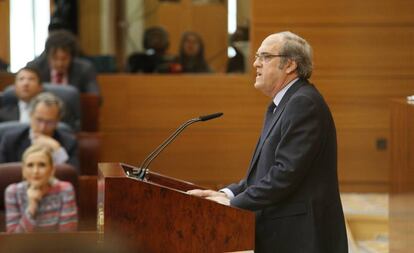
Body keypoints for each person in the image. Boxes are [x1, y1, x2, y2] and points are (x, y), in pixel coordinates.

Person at [188, 31, 348, 253]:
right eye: (256, 56)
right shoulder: (282, 104)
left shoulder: (303, 104)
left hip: (302, 237)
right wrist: (226, 194)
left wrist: (233, 204)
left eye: (264, 56)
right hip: (285, 231)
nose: (255, 63)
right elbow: (266, 172)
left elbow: (285, 174)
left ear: (290, 65)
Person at [4, 144, 78, 233]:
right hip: (25, 247)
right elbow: (13, 239)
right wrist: (32, 206)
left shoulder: (65, 189)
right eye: (30, 165)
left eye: (42, 165)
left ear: (52, 170)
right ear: (23, 170)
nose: (35, 171)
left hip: (58, 246)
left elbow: (68, 234)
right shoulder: (13, 192)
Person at [0, 92, 79, 170]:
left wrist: (58, 150)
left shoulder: (69, 142)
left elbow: (73, 176)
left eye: (49, 122)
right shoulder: (11, 140)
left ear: (58, 121)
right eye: (39, 120)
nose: (42, 127)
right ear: (30, 115)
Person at [26, 30, 100, 95]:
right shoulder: (34, 68)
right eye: (55, 58)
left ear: (72, 57)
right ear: (47, 56)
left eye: (64, 59)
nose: (59, 63)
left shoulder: (84, 69)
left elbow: (94, 98)